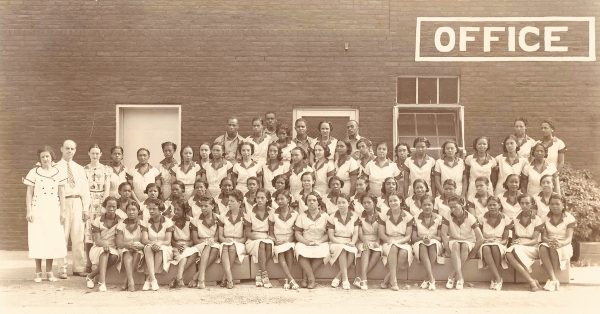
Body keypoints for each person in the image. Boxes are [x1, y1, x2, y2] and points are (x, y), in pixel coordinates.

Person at [24, 146, 68, 282]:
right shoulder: (33, 172)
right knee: (38, 239)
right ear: (39, 159)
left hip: (53, 209)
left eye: (47, 156)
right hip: (38, 209)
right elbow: (29, 193)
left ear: (51, 157)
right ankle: (38, 272)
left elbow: (62, 194)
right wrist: (29, 210)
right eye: (42, 157)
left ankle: (49, 272)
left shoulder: (58, 172)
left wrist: (63, 211)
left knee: (51, 239)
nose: (45, 159)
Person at [55, 139, 91, 278]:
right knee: (62, 237)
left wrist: (85, 209)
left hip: (77, 202)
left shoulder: (79, 168)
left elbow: (85, 190)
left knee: (78, 237)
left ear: (75, 150)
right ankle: (62, 269)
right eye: (67, 148)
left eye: (72, 149)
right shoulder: (56, 167)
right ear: (61, 149)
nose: (69, 151)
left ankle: (78, 267)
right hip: (63, 203)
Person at [441, 195, 483, 290]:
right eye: (450, 207)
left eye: (455, 206)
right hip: (453, 240)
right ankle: (460, 278)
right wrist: (447, 250)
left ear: (462, 204)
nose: (452, 209)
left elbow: (480, 238)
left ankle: (452, 276)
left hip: (468, 241)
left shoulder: (471, 217)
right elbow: (443, 234)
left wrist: (473, 253)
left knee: (464, 246)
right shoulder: (447, 215)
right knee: (456, 245)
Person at [506, 195, 544, 292]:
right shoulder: (515, 219)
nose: (524, 205)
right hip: (518, 245)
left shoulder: (537, 219)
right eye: (522, 203)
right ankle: (531, 280)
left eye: (527, 203)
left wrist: (521, 244)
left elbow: (535, 240)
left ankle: (531, 281)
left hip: (532, 246)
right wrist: (515, 242)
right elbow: (514, 236)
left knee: (513, 250)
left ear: (532, 204)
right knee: (508, 253)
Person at [84, 145, 112, 274]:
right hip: (89, 200)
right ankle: (88, 264)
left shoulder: (106, 169)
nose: (95, 156)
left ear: (101, 154)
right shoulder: (84, 169)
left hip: (101, 200)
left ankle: (99, 262)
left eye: (97, 153)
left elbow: (107, 188)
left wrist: (104, 205)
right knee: (88, 233)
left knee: (101, 231)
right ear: (89, 154)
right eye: (92, 153)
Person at [539, 194, 576, 291]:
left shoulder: (569, 218)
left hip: (564, 245)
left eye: (557, 204)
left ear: (563, 205)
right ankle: (554, 279)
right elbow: (544, 237)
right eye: (552, 204)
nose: (554, 206)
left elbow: (569, 239)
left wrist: (560, 243)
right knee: (542, 247)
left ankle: (551, 280)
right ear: (549, 206)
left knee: (553, 247)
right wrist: (549, 241)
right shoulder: (544, 217)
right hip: (549, 241)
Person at [378, 192, 413, 291]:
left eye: (395, 200)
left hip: (403, 241)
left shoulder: (408, 216)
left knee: (403, 252)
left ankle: (388, 277)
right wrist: (389, 240)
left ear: (401, 201)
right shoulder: (384, 215)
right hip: (388, 241)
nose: (393, 203)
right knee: (393, 247)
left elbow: (408, 236)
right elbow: (381, 234)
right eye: (390, 201)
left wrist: (399, 242)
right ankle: (394, 281)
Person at [294, 192, 330, 289]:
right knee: (299, 251)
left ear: (318, 203)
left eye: (314, 200)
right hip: (305, 242)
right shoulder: (302, 216)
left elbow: (328, 234)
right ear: (306, 203)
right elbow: (297, 233)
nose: (311, 202)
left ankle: (306, 278)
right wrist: (306, 242)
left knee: (325, 251)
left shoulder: (325, 216)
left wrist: (319, 242)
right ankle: (312, 279)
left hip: (320, 242)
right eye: (309, 200)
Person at [85, 196, 121, 292]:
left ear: (117, 207)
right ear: (105, 206)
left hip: (113, 248)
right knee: (105, 251)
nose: (111, 209)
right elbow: (97, 240)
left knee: (114, 256)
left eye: (114, 207)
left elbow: (119, 239)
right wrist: (104, 244)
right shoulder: (98, 220)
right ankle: (102, 282)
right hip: (98, 248)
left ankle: (90, 276)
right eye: (109, 206)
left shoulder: (120, 221)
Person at [325, 194, 359, 290]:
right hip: (336, 242)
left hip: (349, 240)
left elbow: (356, 233)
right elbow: (331, 236)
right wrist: (340, 243)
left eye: (343, 202)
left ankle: (338, 276)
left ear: (348, 203)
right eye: (339, 202)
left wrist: (353, 242)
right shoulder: (332, 217)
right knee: (342, 249)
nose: (341, 205)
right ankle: (345, 279)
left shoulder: (354, 216)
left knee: (352, 250)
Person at [411, 195, 444, 291]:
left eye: (429, 205)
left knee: (432, 244)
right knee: (422, 245)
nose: (427, 207)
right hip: (419, 243)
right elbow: (413, 238)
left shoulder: (439, 218)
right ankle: (431, 279)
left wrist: (431, 237)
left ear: (433, 205)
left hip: (435, 243)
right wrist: (422, 238)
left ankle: (427, 279)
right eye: (424, 205)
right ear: (421, 206)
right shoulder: (415, 218)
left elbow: (440, 238)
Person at [268, 189, 300, 290]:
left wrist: (288, 241)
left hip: (290, 240)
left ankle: (287, 279)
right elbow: (271, 230)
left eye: (282, 199)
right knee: (281, 252)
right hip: (278, 240)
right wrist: (274, 240)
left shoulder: (295, 214)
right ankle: (290, 279)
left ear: (288, 199)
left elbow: (296, 232)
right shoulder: (273, 214)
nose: (280, 201)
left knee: (289, 250)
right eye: (278, 199)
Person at [478, 196, 510, 291]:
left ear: (499, 205)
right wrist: (485, 240)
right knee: (486, 248)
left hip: (499, 243)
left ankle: (494, 278)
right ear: (487, 206)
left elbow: (505, 239)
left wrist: (497, 241)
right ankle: (498, 278)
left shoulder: (505, 218)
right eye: (489, 205)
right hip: (485, 242)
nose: (492, 207)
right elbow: (478, 235)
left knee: (495, 247)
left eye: (494, 205)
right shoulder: (481, 218)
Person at [140, 198, 174, 291]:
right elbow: (144, 240)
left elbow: (167, 241)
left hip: (165, 247)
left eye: (154, 209)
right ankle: (153, 280)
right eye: (149, 209)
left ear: (160, 210)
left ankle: (148, 279)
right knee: (147, 248)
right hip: (150, 245)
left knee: (160, 249)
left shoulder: (168, 222)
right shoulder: (146, 221)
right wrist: (154, 243)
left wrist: (159, 243)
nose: (151, 211)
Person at [244, 189, 275, 288]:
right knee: (261, 243)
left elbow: (271, 232)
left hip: (267, 238)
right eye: (258, 198)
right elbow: (248, 233)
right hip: (252, 240)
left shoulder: (271, 212)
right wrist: (263, 237)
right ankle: (265, 276)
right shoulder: (250, 212)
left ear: (267, 199)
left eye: (262, 198)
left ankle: (259, 273)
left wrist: (272, 238)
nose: (260, 200)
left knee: (269, 244)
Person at [218, 189, 248, 289]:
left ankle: (224, 277)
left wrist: (236, 241)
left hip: (239, 243)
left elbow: (244, 238)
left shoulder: (245, 217)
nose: (229, 203)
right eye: (229, 200)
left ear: (239, 203)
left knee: (232, 247)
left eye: (232, 201)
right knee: (227, 247)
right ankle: (229, 278)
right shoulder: (223, 216)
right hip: (226, 242)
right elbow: (220, 236)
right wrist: (225, 240)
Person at [189, 196, 221, 289]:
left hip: (214, 243)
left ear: (212, 206)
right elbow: (195, 239)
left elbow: (217, 237)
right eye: (201, 206)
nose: (203, 208)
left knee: (215, 248)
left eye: (206, 206)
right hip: (200, 244)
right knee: (209, 245)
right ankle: (201, 278)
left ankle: (197, 276)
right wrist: (206, 241)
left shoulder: (219, 219)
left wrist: (212, 241)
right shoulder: (195, 220)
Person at [168, 199, 198, 288]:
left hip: (188, 245)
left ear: (184, 210)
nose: (175, 212)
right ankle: (179, 277)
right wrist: (177, 245)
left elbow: (193, 239)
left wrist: (187, 245)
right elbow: (171, 239)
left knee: (195, 252)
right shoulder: (171, 221)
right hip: (176, 246)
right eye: (175, 209)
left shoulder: (191, 221)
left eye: (178, 210)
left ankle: (177, 277)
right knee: (184, 255)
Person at [115, 201, 144, 292]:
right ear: (126, 211)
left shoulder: (143, 224)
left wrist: (139, 246)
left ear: (138, 211)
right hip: (124, 248)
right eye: (129, 210)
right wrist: (128, 245)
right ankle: (131, 282)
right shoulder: (121, 224)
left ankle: (126, 281)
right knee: (127, 252)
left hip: (138, 249)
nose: (131, 212)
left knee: (137, 253)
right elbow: (119, 243)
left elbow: (144, 241)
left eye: (134, 210)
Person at [355, 194, 382, 290]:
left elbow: (381, 232)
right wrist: (365, 241)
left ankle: (360, 277)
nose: (366, 205)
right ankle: (364, 279)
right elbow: (360, 233)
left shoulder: (380, 215)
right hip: (363, 239)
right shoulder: (360, 216)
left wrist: (378, 241)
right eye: (364, 203)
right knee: (365, 248)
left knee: (378, 251)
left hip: (376, 239)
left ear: (374, 203)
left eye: (369, 202)